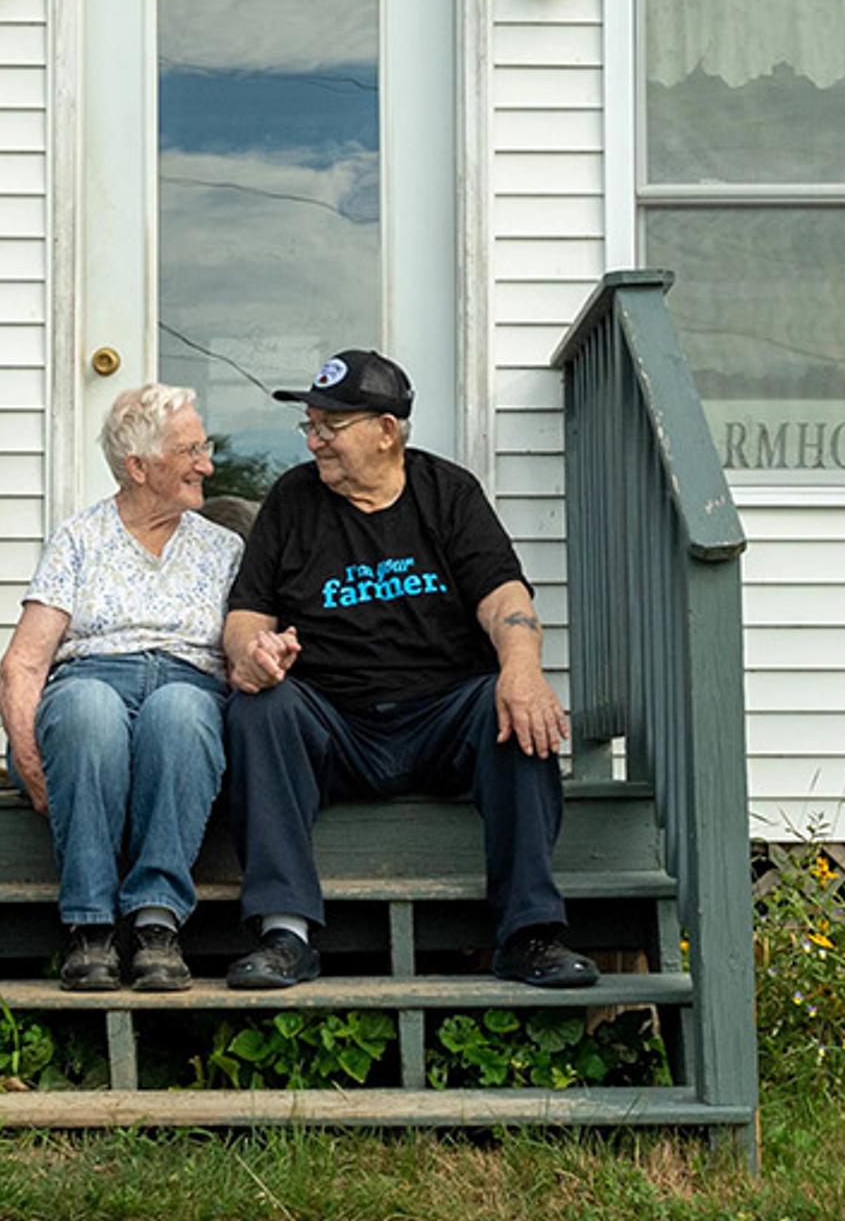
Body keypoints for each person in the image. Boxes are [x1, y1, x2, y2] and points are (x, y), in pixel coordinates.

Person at [217, 348, 595, 991]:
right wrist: (252, 653)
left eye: (329, 428)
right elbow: (246, 615)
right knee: (260, 709)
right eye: (309, 426)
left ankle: (529, 933)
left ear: (386, 430)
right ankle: (286, 934)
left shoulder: (447, 493)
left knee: (516, 702)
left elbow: (505, 597)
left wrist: (523, 667)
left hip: (441, 717)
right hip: (333, 721)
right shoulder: (291, 499)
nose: (314, 442)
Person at [0, 383, 241, 991]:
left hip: (189, 683)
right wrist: (28, 757)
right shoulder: (79, 539)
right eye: (189, 451)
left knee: (179, 714)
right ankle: (91, 927)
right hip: (92, 677)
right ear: (138, 466)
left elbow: (240, 652)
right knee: (86, 711)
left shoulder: (224, 547)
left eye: (203, 448)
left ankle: (157, 922)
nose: (206, 464)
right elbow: (24, 665)